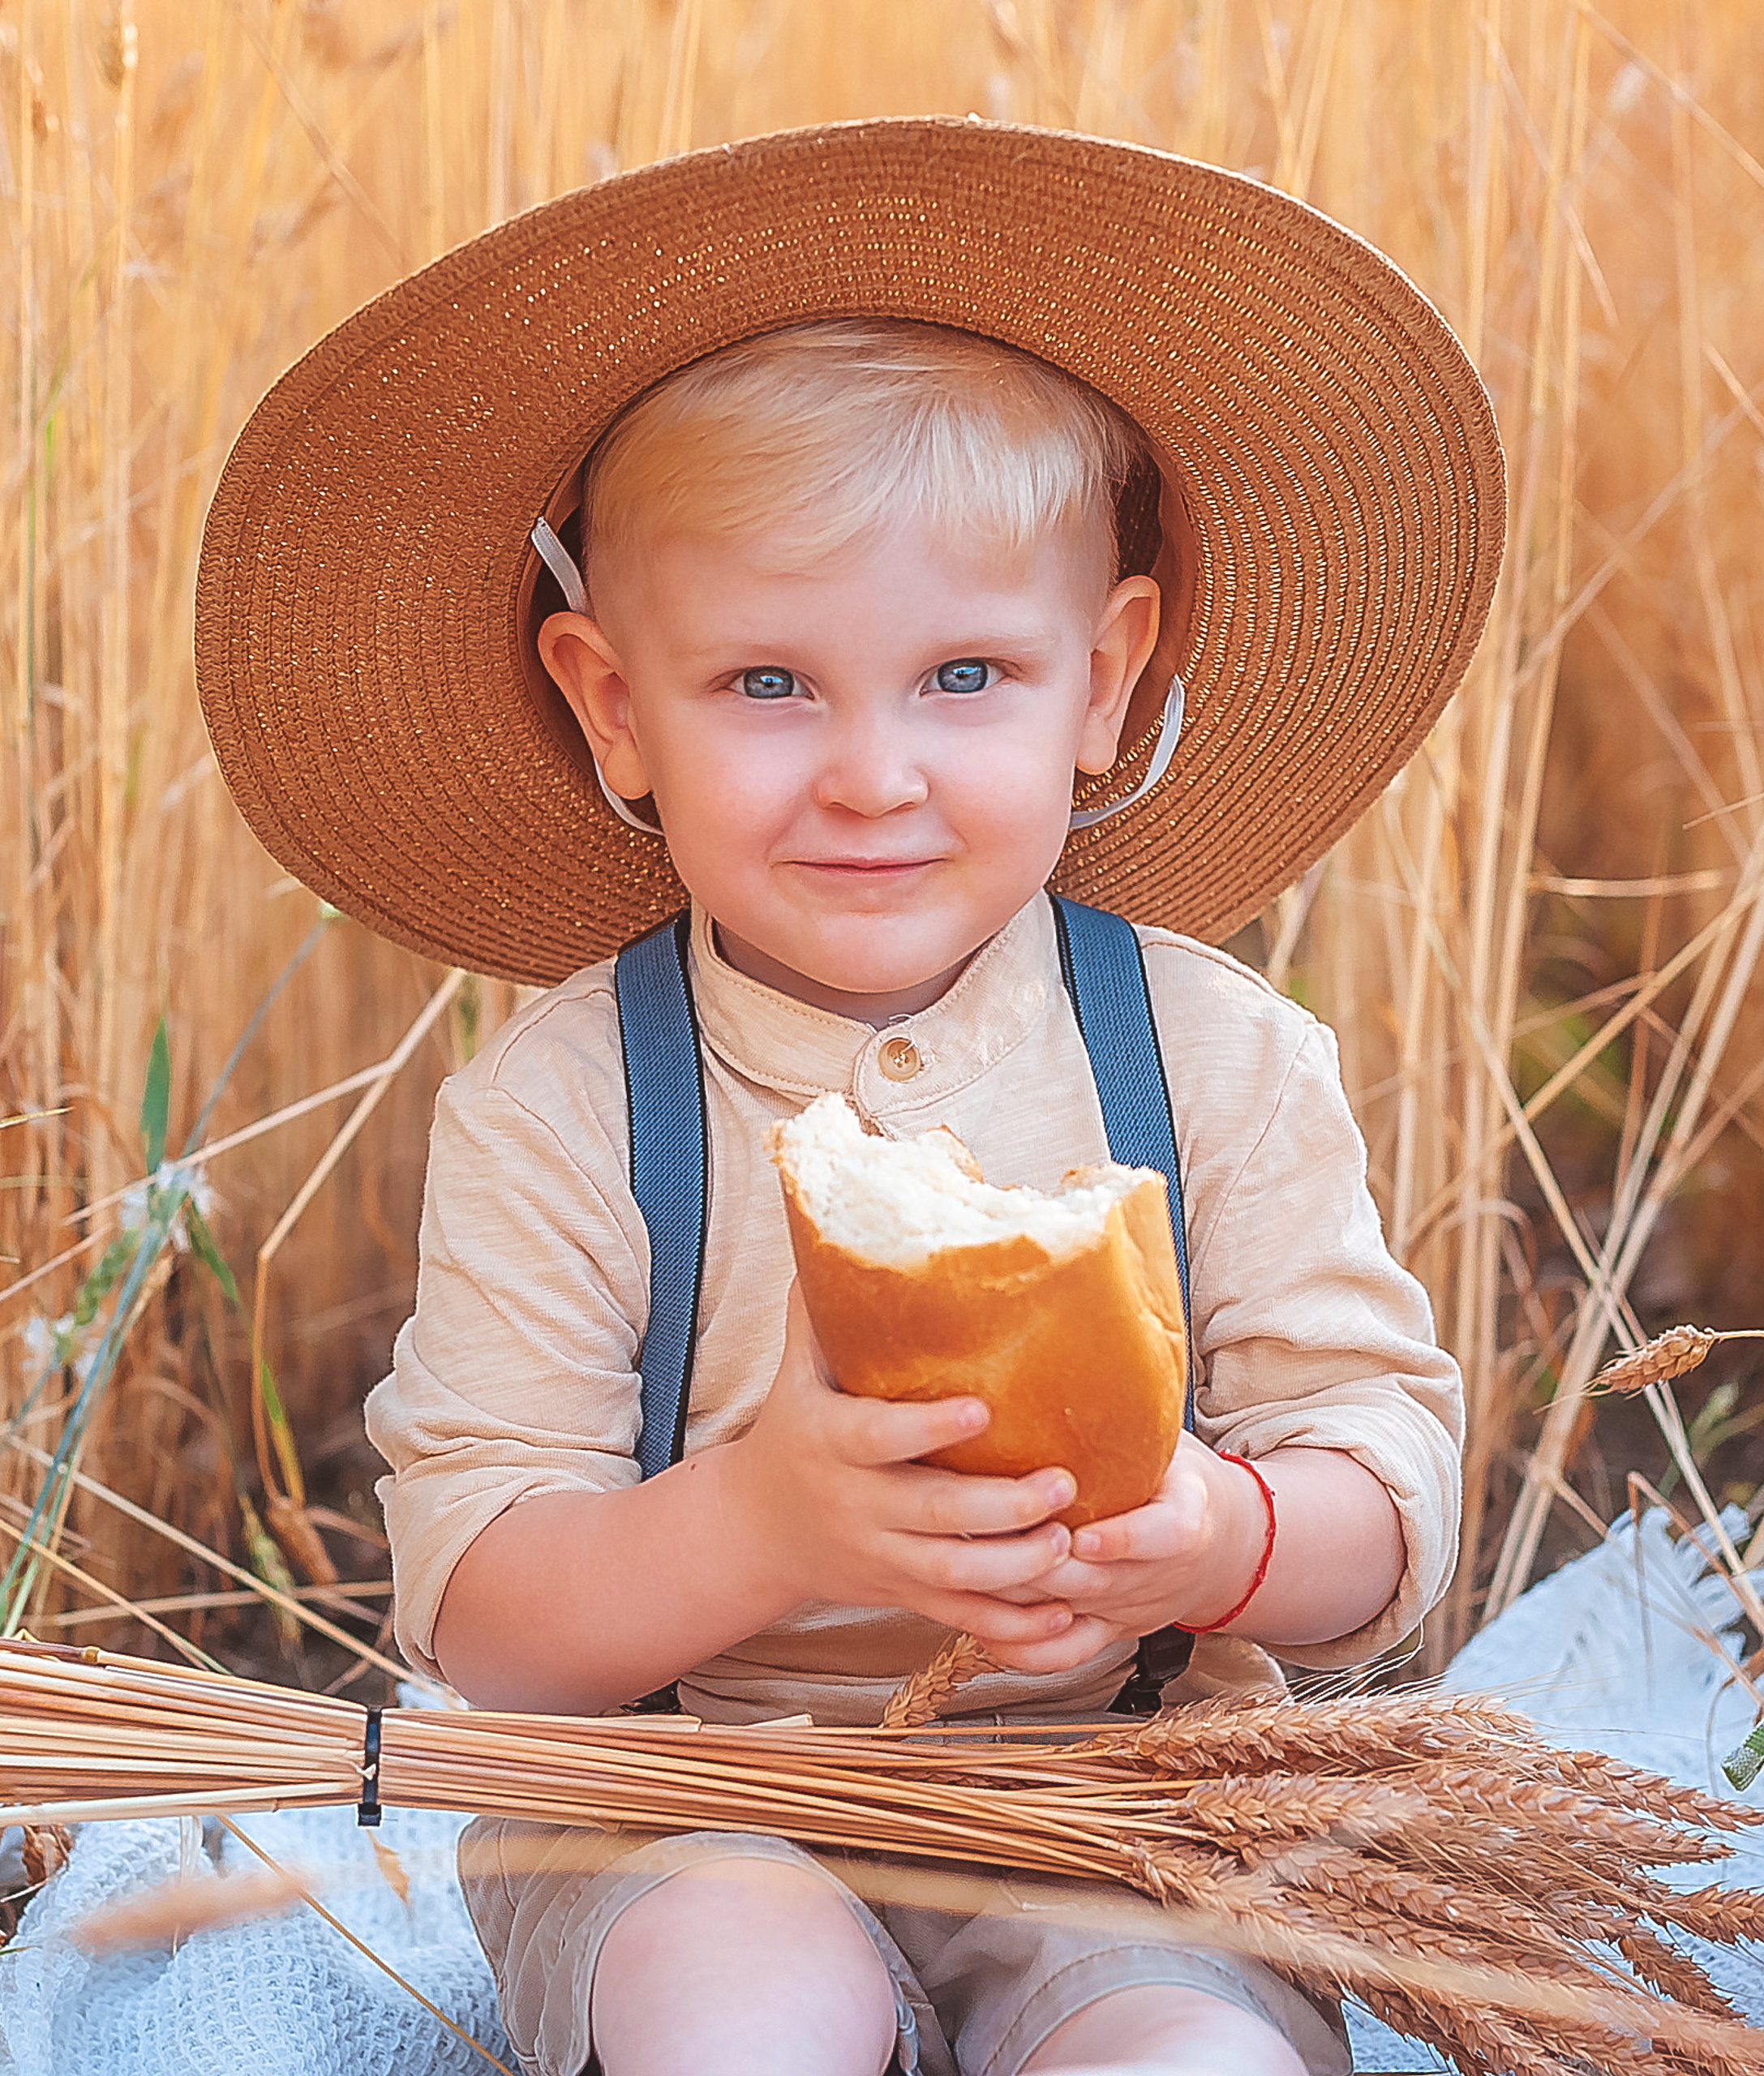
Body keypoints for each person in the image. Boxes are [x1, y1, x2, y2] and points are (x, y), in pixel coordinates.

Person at [195, 118, 1505, 2076]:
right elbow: (491, 1615)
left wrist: (1214, 1529)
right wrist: (769, 1516)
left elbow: (1382, 1502)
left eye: (966, 673)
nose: (874, 773)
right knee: (745, 2009)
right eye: (767, 685)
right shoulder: (562, 1106)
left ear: (1108, 678)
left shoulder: (1210, 1058)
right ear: (612, 705)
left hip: (1116, 1801)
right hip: (674, 1805)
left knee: (1190, 2055)